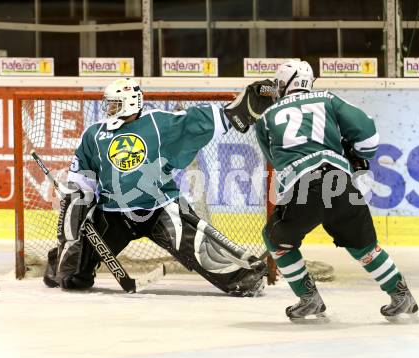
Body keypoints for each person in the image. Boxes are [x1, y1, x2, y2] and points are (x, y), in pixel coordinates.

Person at [43, 77, 268, 296]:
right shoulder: (94, 134)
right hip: (113, 213)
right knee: (72, 278)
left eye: (115, 104)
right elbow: (82, 181)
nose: (109, 109)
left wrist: (235, 112)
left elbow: (193, 123)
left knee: (198, 247)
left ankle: (241, 275)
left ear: (130, 103)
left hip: (160, 206)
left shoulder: (157, 123)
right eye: (109, 104)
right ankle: (59, 260)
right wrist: (75, 209)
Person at [232, 59, 419, 322]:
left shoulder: (267, 117)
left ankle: (309, 299)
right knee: (365, 246)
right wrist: (355, 155)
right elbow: (368, 135)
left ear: (285, 84)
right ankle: (401, 295)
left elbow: (275, 160)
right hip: (340, 180)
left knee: (275, 238)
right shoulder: (328, 99)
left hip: (307, 185)